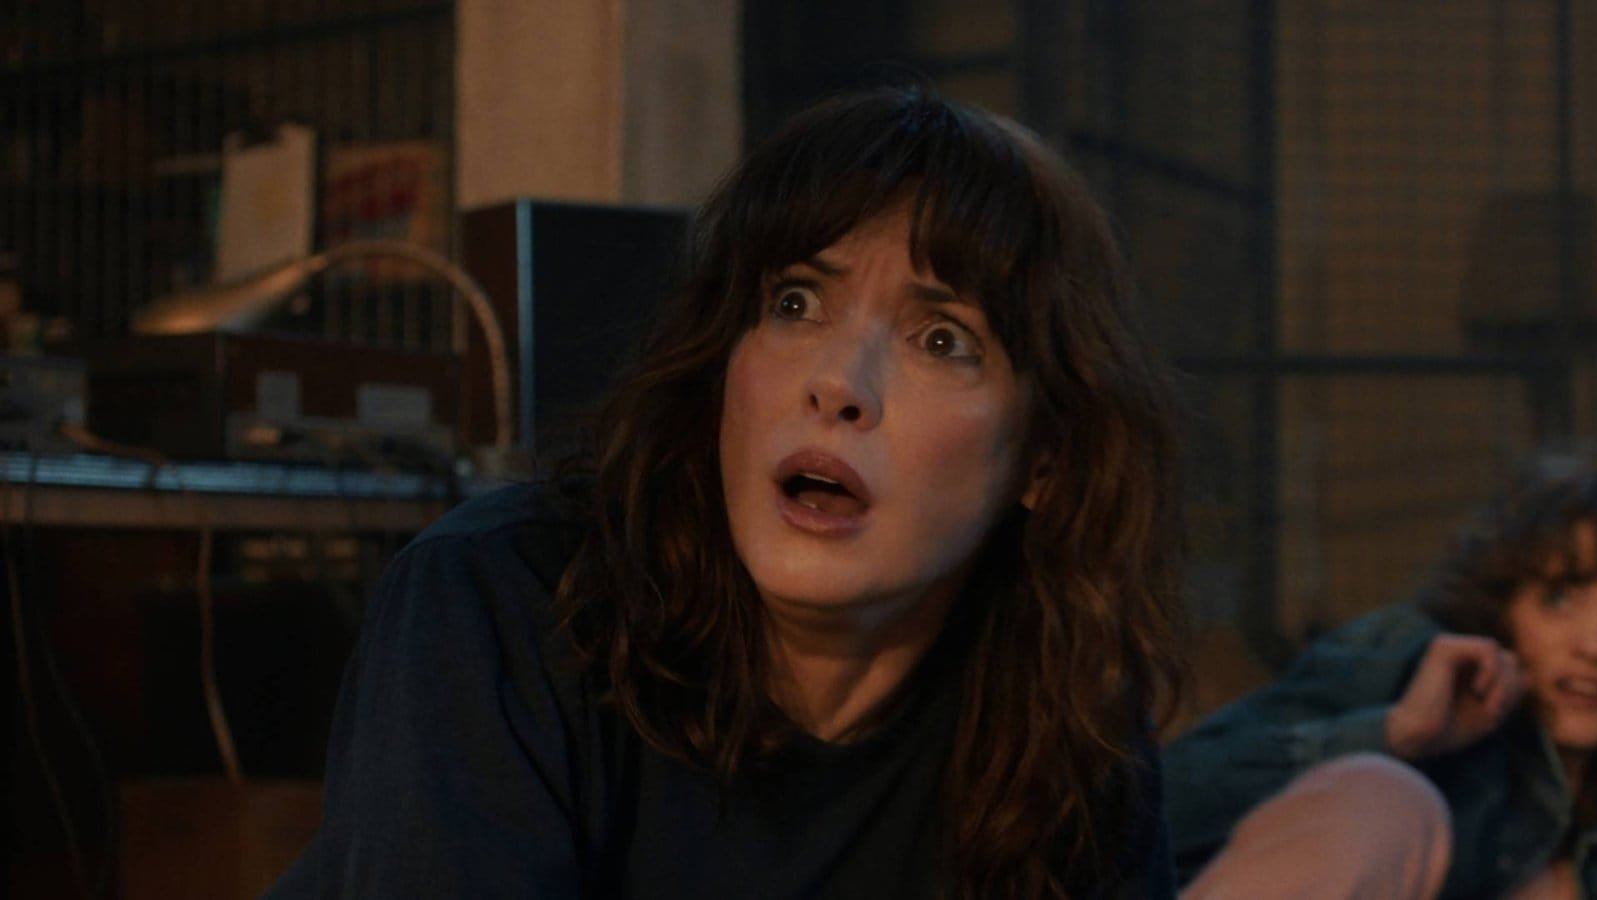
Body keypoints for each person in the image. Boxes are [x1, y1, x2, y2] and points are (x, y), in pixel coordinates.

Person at [265, 84, 1186, 899]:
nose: (837, 384)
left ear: (1044, 461)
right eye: (795, 303)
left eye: (941, 339)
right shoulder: (500, 599)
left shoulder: (1064, 717)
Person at [1165, 452, 1597, 899]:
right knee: (1384, 797)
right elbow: (1155, 806)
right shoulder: (1409, 662)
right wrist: (1393, 733)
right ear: (1502, 605)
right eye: (1558, 600)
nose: (1593, 647)